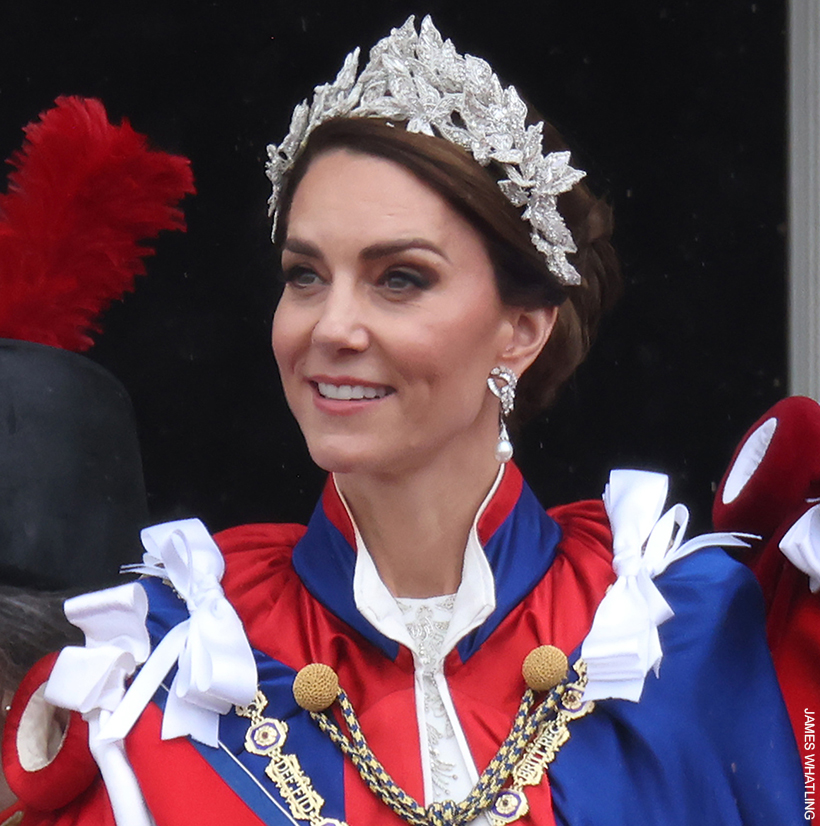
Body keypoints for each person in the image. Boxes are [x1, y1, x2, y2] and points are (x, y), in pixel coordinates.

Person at [0, 16, 803, 826]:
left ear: (523, 329)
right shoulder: (177, 662)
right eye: (306, 276)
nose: (331, 327)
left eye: (400, 279)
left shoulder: (673, 632)